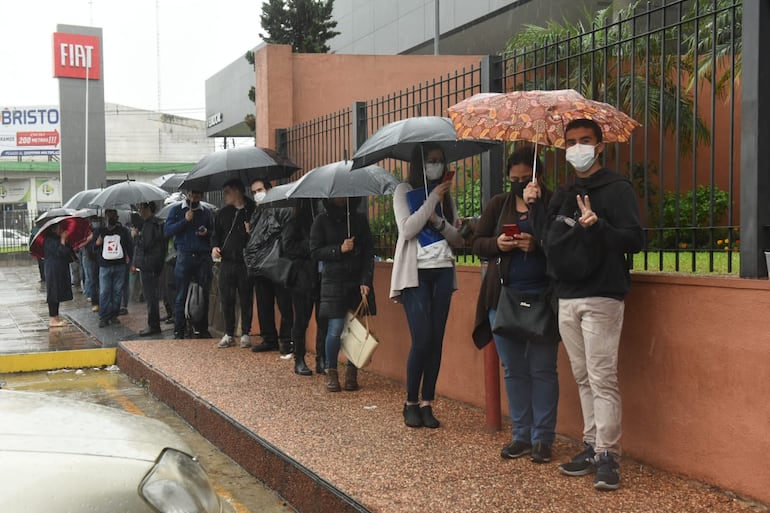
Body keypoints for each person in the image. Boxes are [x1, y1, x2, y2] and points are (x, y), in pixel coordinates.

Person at [526, 118, 644, 491]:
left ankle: (609, 454)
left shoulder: (617, 188)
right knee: (581, 376)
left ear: (600, 146)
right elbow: (548, 242)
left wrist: (599, 226)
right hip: (566, 296)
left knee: (602, 377)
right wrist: (532, 206)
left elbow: (635, 240)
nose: (578, 147)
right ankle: (591, 445)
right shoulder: (562, 193)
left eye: (585, 141)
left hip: (602, 295)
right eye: (572, 141)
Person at [472, 147, 558, 464]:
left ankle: (543, 439)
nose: (520, 184)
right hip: (504, 299)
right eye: (515, 179)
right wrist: (498, 244)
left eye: (526, 179)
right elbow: (477, 241)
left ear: (538, 176)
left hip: (542, 300)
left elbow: (561, 244)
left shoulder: (551, 202)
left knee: (543, 370)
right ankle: (521, 435)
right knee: (514, 370)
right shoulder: (499, 204)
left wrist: (536, 238)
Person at [391, 143, 465, 428]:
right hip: (415, 274)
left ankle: (427, 403)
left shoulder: (447, 196)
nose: (435, 165)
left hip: (442, 271)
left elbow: (457, 240)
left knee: (436, 341)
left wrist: (440, 220)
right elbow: (407, 229)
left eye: (439, 160)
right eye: (430, 160)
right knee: (421, 339)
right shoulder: (403, 190)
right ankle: (410, 402)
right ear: (419, 163)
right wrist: (432, 199)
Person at [310, 196, 376, 392]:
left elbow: (368, 252)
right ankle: (331, 370)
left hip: (356, 281)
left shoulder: (359, 219)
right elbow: (314, 251)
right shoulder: (321, 220)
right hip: (333, 281)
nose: (340, 198)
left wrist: (366, 280)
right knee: (336, 327)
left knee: (355, 328)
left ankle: (351, 371)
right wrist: (339, 249)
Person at [244, 179, 294, 355]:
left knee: (284, 303)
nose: (257, 193)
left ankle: (287, 340)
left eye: (260, 189)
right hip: (260, 265)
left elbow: (282, 233)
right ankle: (269, 338)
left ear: (269, 189)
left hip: (277, 263)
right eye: (254, 191)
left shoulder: (282, 208)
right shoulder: (257, 212)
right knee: (264, 303)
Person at [211, 179, 256, 349]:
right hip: (227, 261)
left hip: (245, 262)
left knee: (246, 298)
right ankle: (228, 333)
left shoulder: (252, 210)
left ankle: (245, 332)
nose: (224, 196)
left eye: (227, 192)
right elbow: (216, 234)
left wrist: (250, 232)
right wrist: (214, 247)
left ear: (238, 191)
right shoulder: (223, 213)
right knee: (226, 298)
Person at [164, 190, 214, 339]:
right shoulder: (176, 210)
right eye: (192, 192)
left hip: (203, 257)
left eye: (198, 193)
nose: (195, 195)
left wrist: (207, 233)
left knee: (203, 293)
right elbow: (167, 231)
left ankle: (201, 328)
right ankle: (179, 329)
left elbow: (214, 232)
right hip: (184, 256)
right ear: (187, 194)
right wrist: (185, 220)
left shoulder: (206, 212)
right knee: (181, 294)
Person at [283, 199, 320, 376]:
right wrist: (311, 244)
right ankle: (299, 358)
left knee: (324, 320)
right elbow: (288, 247)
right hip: (301, 279)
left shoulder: (323, 220)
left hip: (321, 276)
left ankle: (322, 359)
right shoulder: (294, 222)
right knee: (301, 321)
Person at [94, 209, 133, 328]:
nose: (111, 217)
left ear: (117, 216)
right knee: (105, 291)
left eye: (113, 215)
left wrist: (130, 260)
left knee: (117, 291)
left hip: (120, 265)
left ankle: (114, 315)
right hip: (105, 266)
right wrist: (97, 243)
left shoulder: (123, 231)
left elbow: (129, 246)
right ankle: (104, 316)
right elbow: (92, 249)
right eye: (108, 214)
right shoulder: (100, 231)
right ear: (105, 216)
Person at [132, 202, 167, 337]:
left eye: (141, 207)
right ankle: (153, 323)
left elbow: (145, 245)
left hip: (148, 265)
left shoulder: (149, 225)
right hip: (155, 264)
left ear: (148, 208)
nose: (139, 210)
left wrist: (136, 236)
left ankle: (153, 325)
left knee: (150, 296)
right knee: (151, 296)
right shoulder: (157, 224)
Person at [43, 222, 75, 328]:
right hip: (53, 270)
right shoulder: (49, 240)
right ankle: (52, 318)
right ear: (53, 229)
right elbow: (60, 252)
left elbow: (67, 252)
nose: (60, 229)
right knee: (53, 293)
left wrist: (65, 241)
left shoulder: (56, 239)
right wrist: (62, 240)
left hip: (60, 269)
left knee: (58, 293)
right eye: (58, 228)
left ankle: (56, 317)